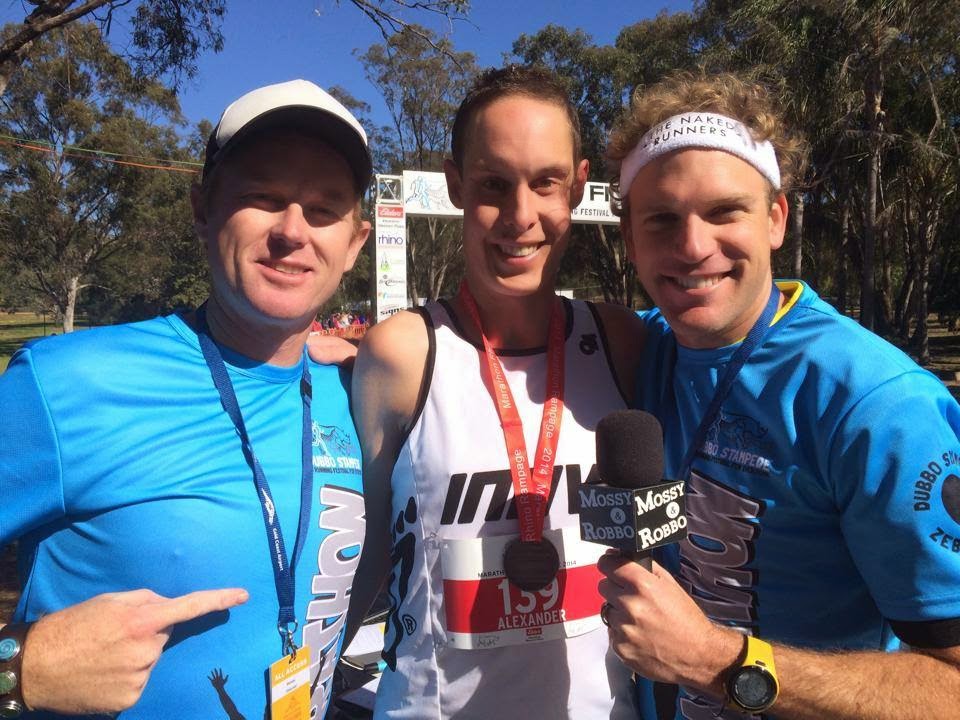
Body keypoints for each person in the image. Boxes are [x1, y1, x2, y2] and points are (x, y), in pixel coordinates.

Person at [0, 79, 371, 719]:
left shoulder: (360, 395)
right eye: (262, 196)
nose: (292, 231)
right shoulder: (67, 384)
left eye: (323, 209)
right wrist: (18, 670)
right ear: (203, 210)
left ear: (355, 244)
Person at [598, 71, 960, 719]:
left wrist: (715, 660)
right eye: (661, 219)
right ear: (629, 239)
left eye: (724, 211)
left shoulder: (877, 405)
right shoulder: (638, 348)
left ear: (775, 218)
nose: (693, 246)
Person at [347, 65, 644, 719]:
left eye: (546, 183)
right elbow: (364, 555)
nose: (520, 216)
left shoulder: (622, 341)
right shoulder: (401, 353)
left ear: (577, 187)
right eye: (493, 184)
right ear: (455, 184)